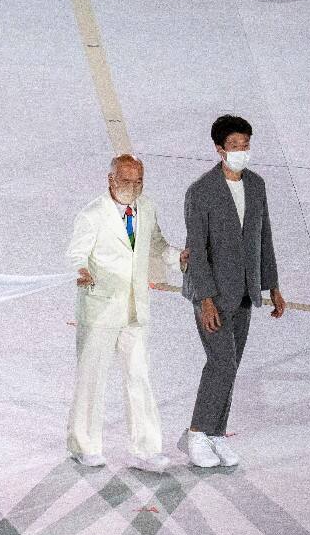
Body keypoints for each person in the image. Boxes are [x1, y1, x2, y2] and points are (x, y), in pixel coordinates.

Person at [65, 155, 186, 472]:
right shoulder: (92, 215)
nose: (134, 187)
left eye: (139, 181)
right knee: (92, 378)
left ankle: (146, 449)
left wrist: (179, 258)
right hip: (100, 310)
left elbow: (156, 244)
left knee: (139, 377)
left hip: (135, 309)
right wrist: (80, 270)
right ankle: (84, 445)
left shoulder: (146, 208)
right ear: (111, 180)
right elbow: (75, 254)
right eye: (127, 181)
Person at [179, 115, 285, 468]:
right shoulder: (201, 191)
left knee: (231, 365)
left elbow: (262, 238)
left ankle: (215, 434)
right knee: (221, 362)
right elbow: (195, 247)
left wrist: (272, 285)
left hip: (244, 292)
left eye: (246, 145)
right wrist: (205, 300)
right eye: (236, 146)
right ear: (220, 149)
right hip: (211, 295)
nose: (243, 151)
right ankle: (196, 433)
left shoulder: (256, 186)